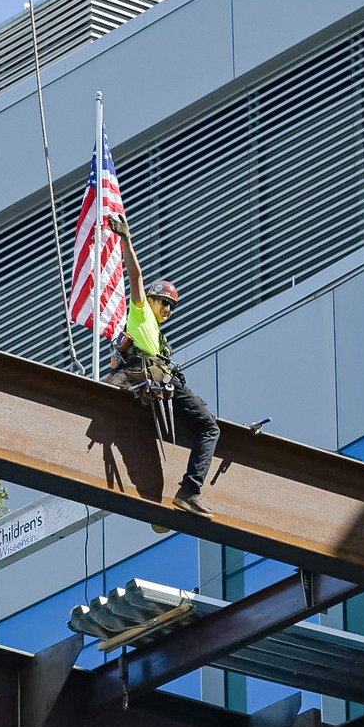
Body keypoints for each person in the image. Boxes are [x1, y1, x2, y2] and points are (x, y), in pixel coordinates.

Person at [105, 217, 220, 518]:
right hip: (155, 382)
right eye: (163, 302)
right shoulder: (140, 315)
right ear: (150, 301)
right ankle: (190, 491)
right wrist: (126, 239)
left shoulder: (158, 336)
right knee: (209, 427)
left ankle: (188, 491)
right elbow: (136, 276)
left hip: (161, 385)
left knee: (204, 422)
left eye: (171, 307)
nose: (167, 310)